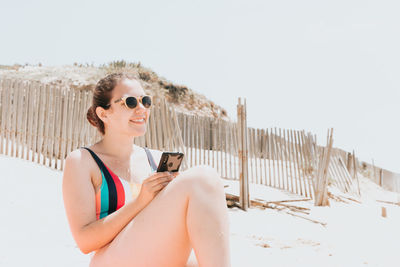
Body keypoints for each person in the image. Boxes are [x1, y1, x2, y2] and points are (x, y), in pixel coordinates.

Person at [62, 72, 231, 267]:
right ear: (104, 113)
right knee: (202, 178)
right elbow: (85, 242)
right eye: (131, 102)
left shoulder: (156, 159)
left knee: (205, 182)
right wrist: (142, 201)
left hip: (154, 257)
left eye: (146, 101)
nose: (141, 108)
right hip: (110, 260)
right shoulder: (83, 161)